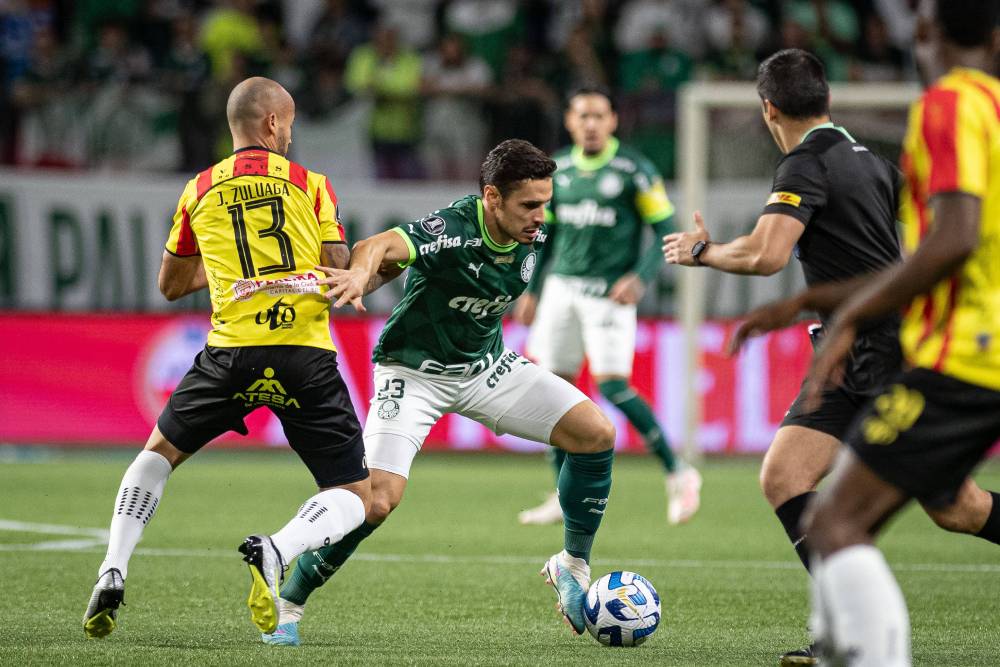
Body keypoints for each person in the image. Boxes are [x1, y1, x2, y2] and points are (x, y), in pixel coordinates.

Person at [663, 46, 1000, 664]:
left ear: (768, 109)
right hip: (854, 349)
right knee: (786, 476)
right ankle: (840, 634)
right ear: (827, 100)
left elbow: (766, 255)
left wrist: (702, 251)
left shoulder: (804, 165)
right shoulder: (872, 160)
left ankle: (858, 637)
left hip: (883, 349)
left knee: (958, 508)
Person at [257, 139, 617, 647]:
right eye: (529, 205)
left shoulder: (533, 231)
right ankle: (288, 602)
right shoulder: (453, 227)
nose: (541, 216)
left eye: (545, 203)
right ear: (492, 196)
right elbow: (379, 246)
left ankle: (572, 566)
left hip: (486, 368)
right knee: (376, 501)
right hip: (414, 373)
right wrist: (361, 272)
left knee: (595, 433)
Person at [82, 77, 371, 640]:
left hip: (228, 354)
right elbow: (337, 266)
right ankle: (278, 549)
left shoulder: (199, 189)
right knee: (355, 497)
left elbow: (170, 283)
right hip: (302, 353)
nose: (289, 134)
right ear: (270, 123)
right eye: (287, 123)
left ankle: (113, 565)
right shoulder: (312, 185)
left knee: (158, 454)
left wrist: (229, 268)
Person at [799, 1, 1000, 663]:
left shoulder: (949, 104)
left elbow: (951, 240)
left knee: (836, 520)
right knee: (944, 505)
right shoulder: (995, 106)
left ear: (923, 33)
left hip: (967, 352)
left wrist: (850, 316)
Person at [514, 86, 701, 527]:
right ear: (570, 121)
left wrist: (640, 277)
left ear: (613, 120)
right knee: (553, 391)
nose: (591, 124)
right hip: (561, 288)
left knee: (613, 386)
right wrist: (533, 289)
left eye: (599, 116)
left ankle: (679, 471)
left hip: (608, 294)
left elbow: (665, 230)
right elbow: (547, 236)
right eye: (583, 116)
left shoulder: (634, 170)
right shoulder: (557, 171)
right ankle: (561, 496)